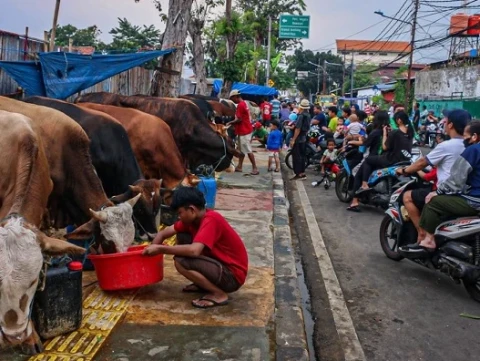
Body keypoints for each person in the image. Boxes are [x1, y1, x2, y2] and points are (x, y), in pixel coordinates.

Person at [143, 187, 248, 308]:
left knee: (181, 261)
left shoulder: (212, 219)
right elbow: (163, 233)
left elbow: (194, 251)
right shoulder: (192, 221)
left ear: (192, 210)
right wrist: (149, 256)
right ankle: (203, 284)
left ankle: (218, 294)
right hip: (220, 267)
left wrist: (161, 249)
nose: (178, 217)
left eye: (180, 213)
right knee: (183, 236)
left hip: (232, 276)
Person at [401, 119, 480, 254]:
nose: (465, 141)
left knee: (433, 201)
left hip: (474, 201)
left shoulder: (473, 150)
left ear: (474, 137)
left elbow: (456, 180)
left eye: (466, 138)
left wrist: (438, 192)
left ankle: (428, 240)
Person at [347, 111, 413, 212]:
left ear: (399, 120)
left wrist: (354, 140)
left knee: (362, 170)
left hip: (386, 159)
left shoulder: (386, 132)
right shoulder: (408, 133)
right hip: (403, 160)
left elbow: (383, 146)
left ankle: (360, 192)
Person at [346, 111, 389, 211]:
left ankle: (355, 202)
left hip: (372, 158)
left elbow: (366, 144)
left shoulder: (375, 132)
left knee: (358, 176)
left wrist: (359, 139)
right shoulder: (387, 131)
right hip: (385, 158)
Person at [227, 90, 259, 175]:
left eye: (232, 98)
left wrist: (230, 123)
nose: (232, 100)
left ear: (236, 97)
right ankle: (240, 166)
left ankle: (255, 168)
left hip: (244, 130)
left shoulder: (241, 105)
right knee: (242, 150)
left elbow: (239, 119)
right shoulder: (244, 103)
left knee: (248, 150)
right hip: (244, 129)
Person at [290, 99, 312, 180]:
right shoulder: (308, 115)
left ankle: (298, 174)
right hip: (304, 138)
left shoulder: (301, 116)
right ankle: (302, 173)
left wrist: (293, 139)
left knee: (296, 156)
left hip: (298, 138)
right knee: (302, 156)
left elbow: (298, 129)